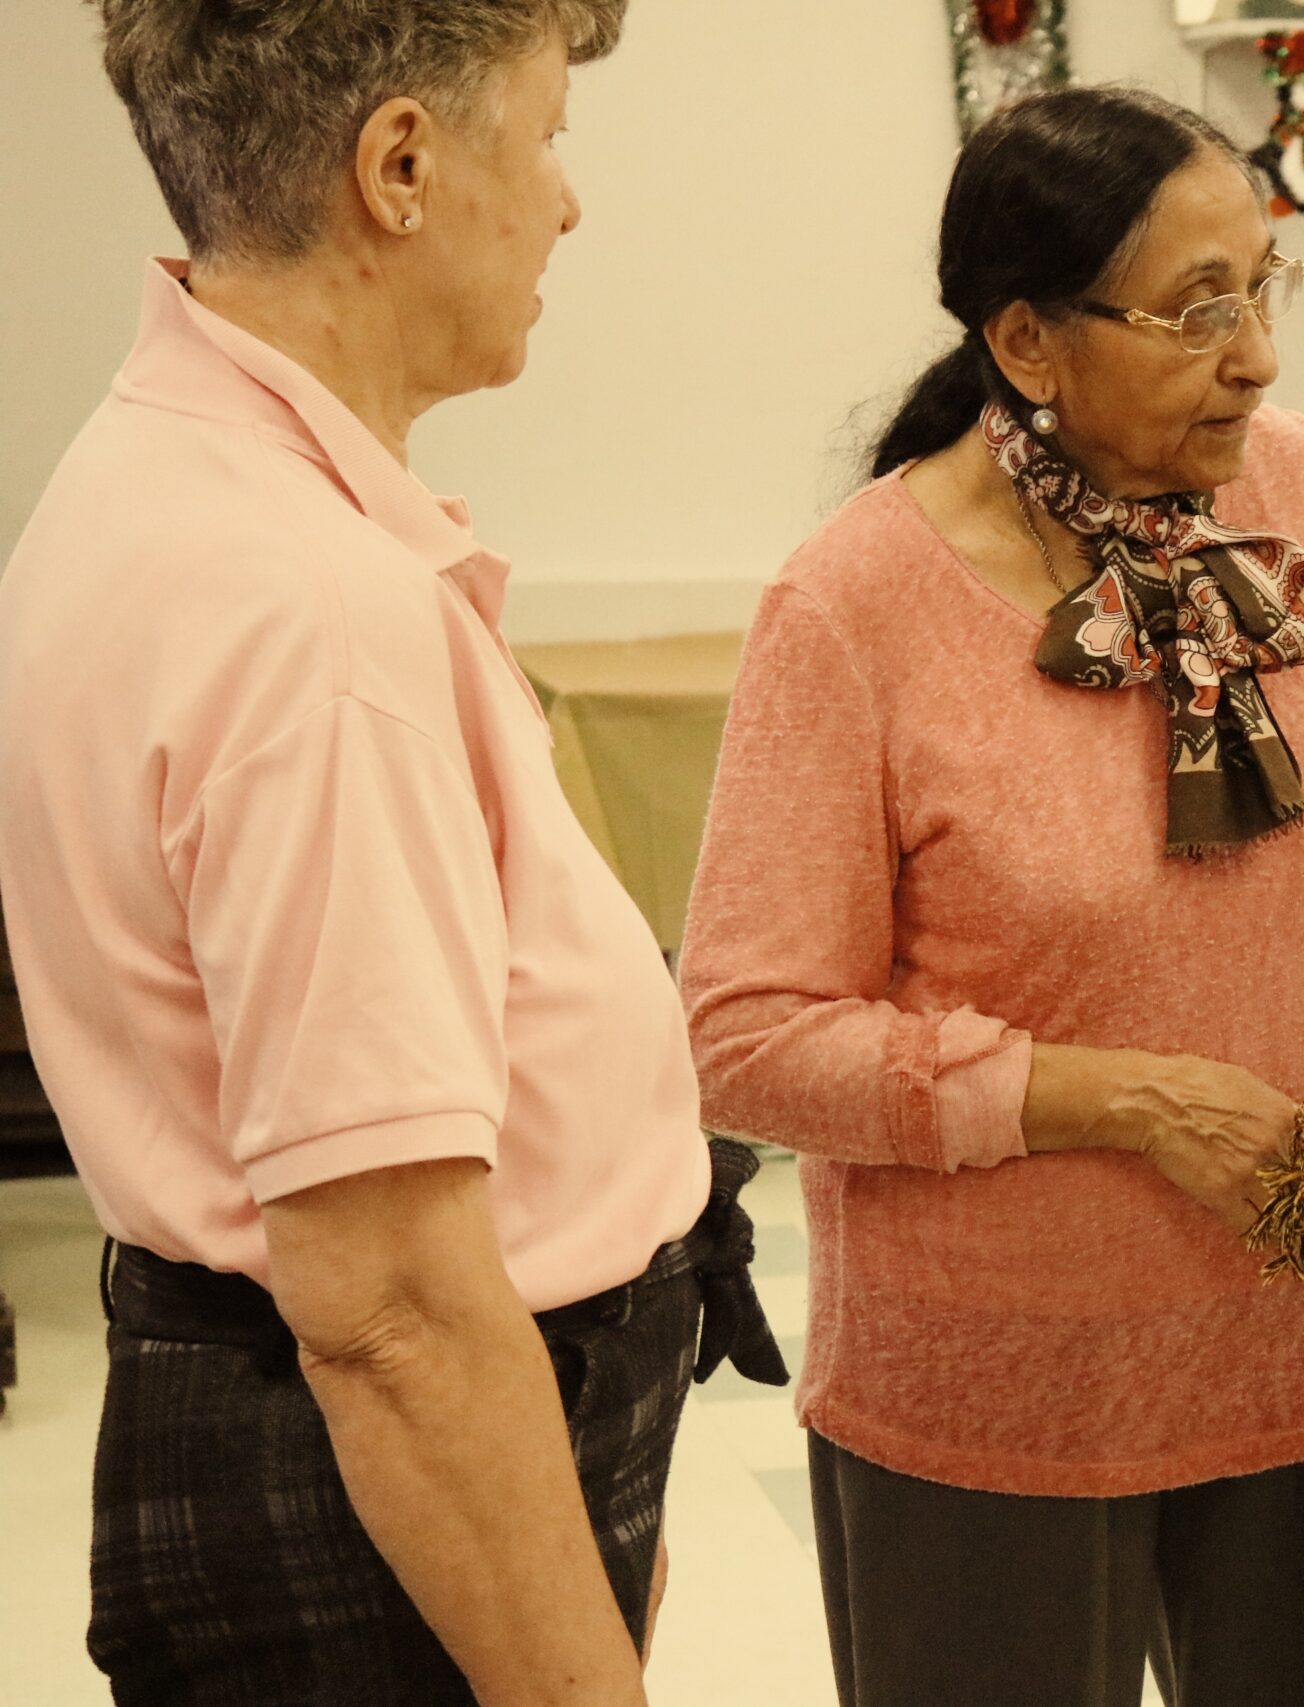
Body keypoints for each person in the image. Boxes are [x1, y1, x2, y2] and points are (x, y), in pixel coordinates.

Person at [679, 86, 1304, 1707]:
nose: (1259, 354)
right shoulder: (855, 606)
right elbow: (746, 1038)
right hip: (1001, 1387)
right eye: (1197, 309)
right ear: (1028, 341)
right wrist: (1133, 1101)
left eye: (1266, 288)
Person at [0, 5, 781, 1702]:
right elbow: (396, 1311)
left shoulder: (163, 471)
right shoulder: (303, 606)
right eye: (552, 133)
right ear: (404, 166)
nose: (568, 205)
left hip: (381, 1437)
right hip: (366, 1492)